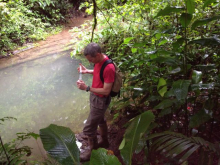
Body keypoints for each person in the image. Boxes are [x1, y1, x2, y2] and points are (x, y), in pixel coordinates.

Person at [76, 43, 115, 161]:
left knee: (88, 129)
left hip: (101, 99)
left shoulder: (109, 67)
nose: (90, 61)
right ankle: (104, 141)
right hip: (95, 97)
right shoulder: (100, 61)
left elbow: (106, 91)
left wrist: (87, 88)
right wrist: (87, 71)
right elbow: (99, 72)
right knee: (101, 119)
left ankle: (92, 151)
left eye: (91, 59)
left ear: (98, 54)